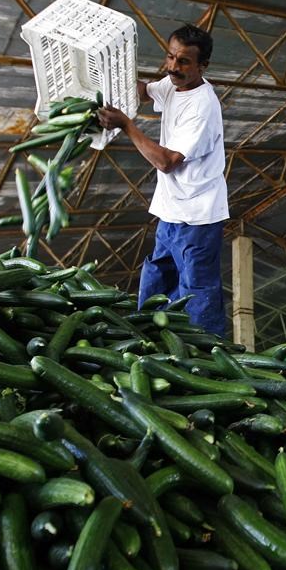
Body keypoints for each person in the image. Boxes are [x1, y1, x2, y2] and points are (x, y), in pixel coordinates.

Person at [97, 24, 228, 337]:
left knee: (197, 294)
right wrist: (110, 70)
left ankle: (206, 357)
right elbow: (143, 92)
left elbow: (167, 162)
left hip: (198, 217)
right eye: (171, 57)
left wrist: (127, 126)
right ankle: (151, 345)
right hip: (170, 211)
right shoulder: (173, 84)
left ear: (202, 66)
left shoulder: (203, 107)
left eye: (183, 61)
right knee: (157, 280)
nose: (173, 67)